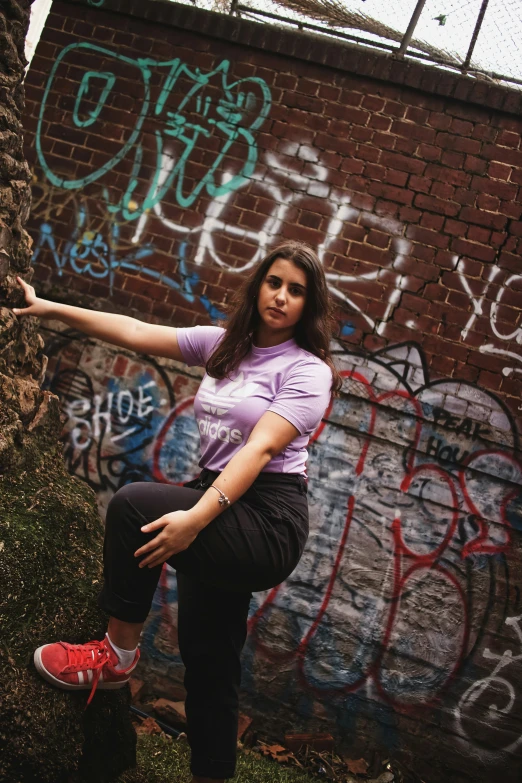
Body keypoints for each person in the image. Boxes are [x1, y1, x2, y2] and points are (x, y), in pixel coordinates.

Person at [14, 240, 342, 783]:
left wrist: (195, 518)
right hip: (219, 497)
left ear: (310, 304)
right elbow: (138, 332)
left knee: (133, 506)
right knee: (209, 659)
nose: (281, 297)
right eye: (274, 282)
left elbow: (260, 451)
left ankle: (115, 658)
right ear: (258, 284)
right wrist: (48, 307)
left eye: (297, 291)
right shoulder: (223, 345)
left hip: (266, 517)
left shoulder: (307, 371)